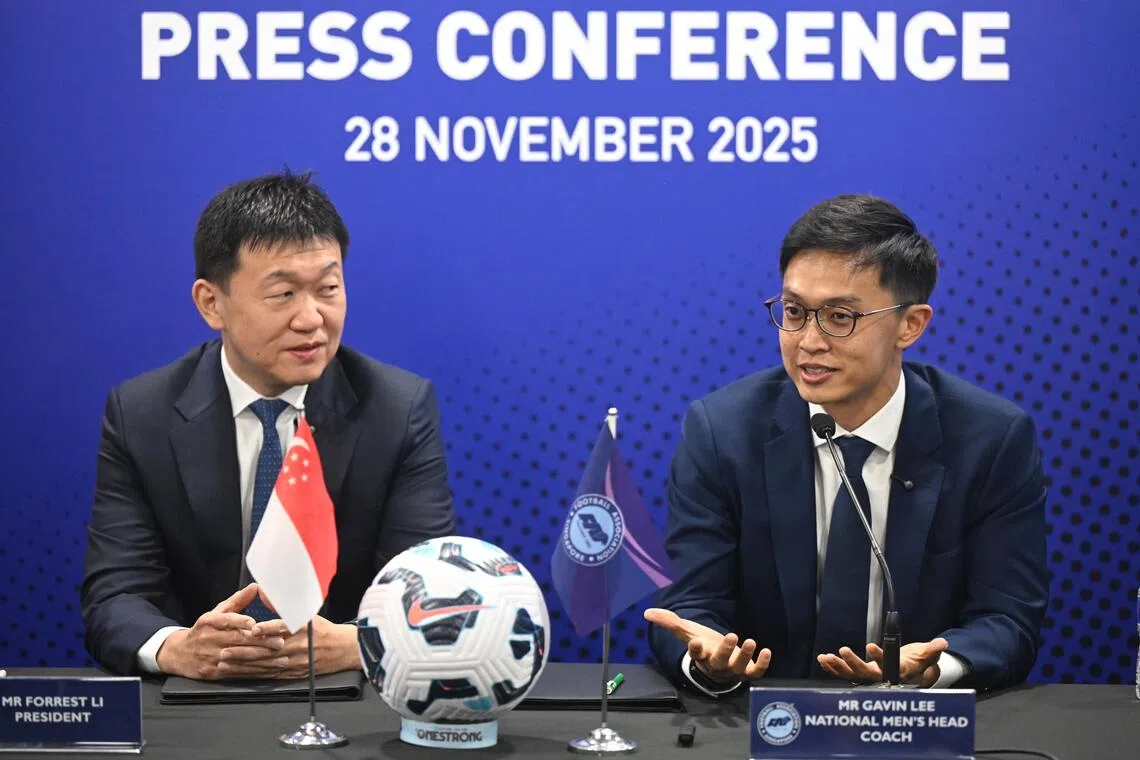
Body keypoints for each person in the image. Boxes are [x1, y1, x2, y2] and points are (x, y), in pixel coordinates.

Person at [645, 194, 1048, 694]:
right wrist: (708, 661)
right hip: (761, 723)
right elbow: (688, 606)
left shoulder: (990, 440)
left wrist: (937, 669)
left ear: (911, 325)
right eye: (793, 311)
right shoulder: (723, 431)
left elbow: (1007, 619)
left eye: (840, 318)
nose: (808, 341)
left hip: (914, 727)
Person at [81, 171, 456, 679]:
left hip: (340, 697)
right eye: (282, 295)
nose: (311, 318)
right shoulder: (141, 413)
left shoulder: (396, 408)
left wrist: (354, 643)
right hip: (196, 705)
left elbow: (426, 589)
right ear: (211, 303)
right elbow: (116, 594)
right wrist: (177, 647)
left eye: (328, 288)